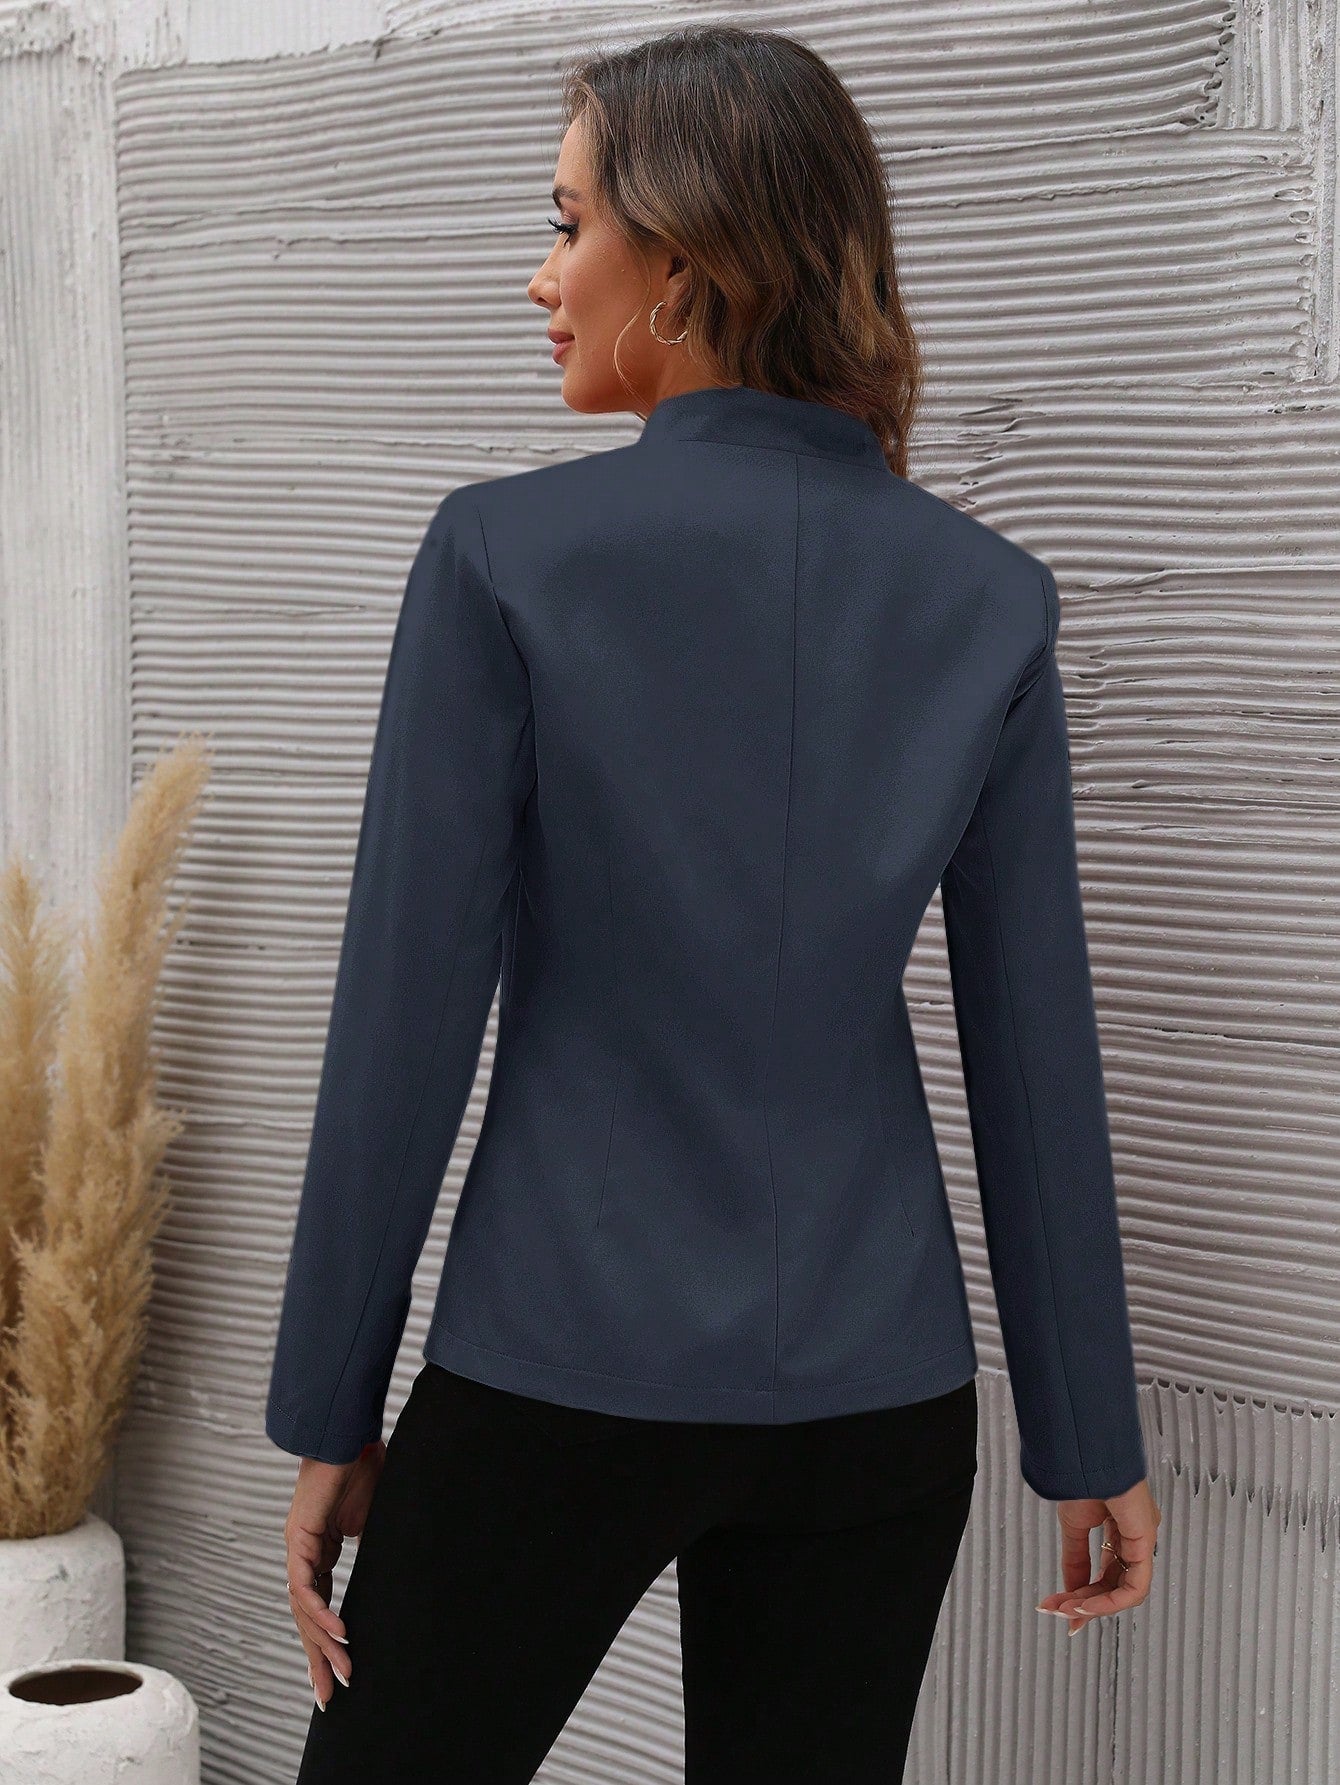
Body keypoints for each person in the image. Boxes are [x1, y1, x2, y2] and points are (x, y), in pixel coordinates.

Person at [266, 24, 1161, 1783]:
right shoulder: (988, 599)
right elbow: (1036, 1054)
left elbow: (401, 1024)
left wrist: (331, 1405)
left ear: (683, 266)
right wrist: (1089, 1433)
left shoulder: (500, 558)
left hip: (556, 1373)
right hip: (880, 1401)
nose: (540, 275)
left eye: (566, 222)